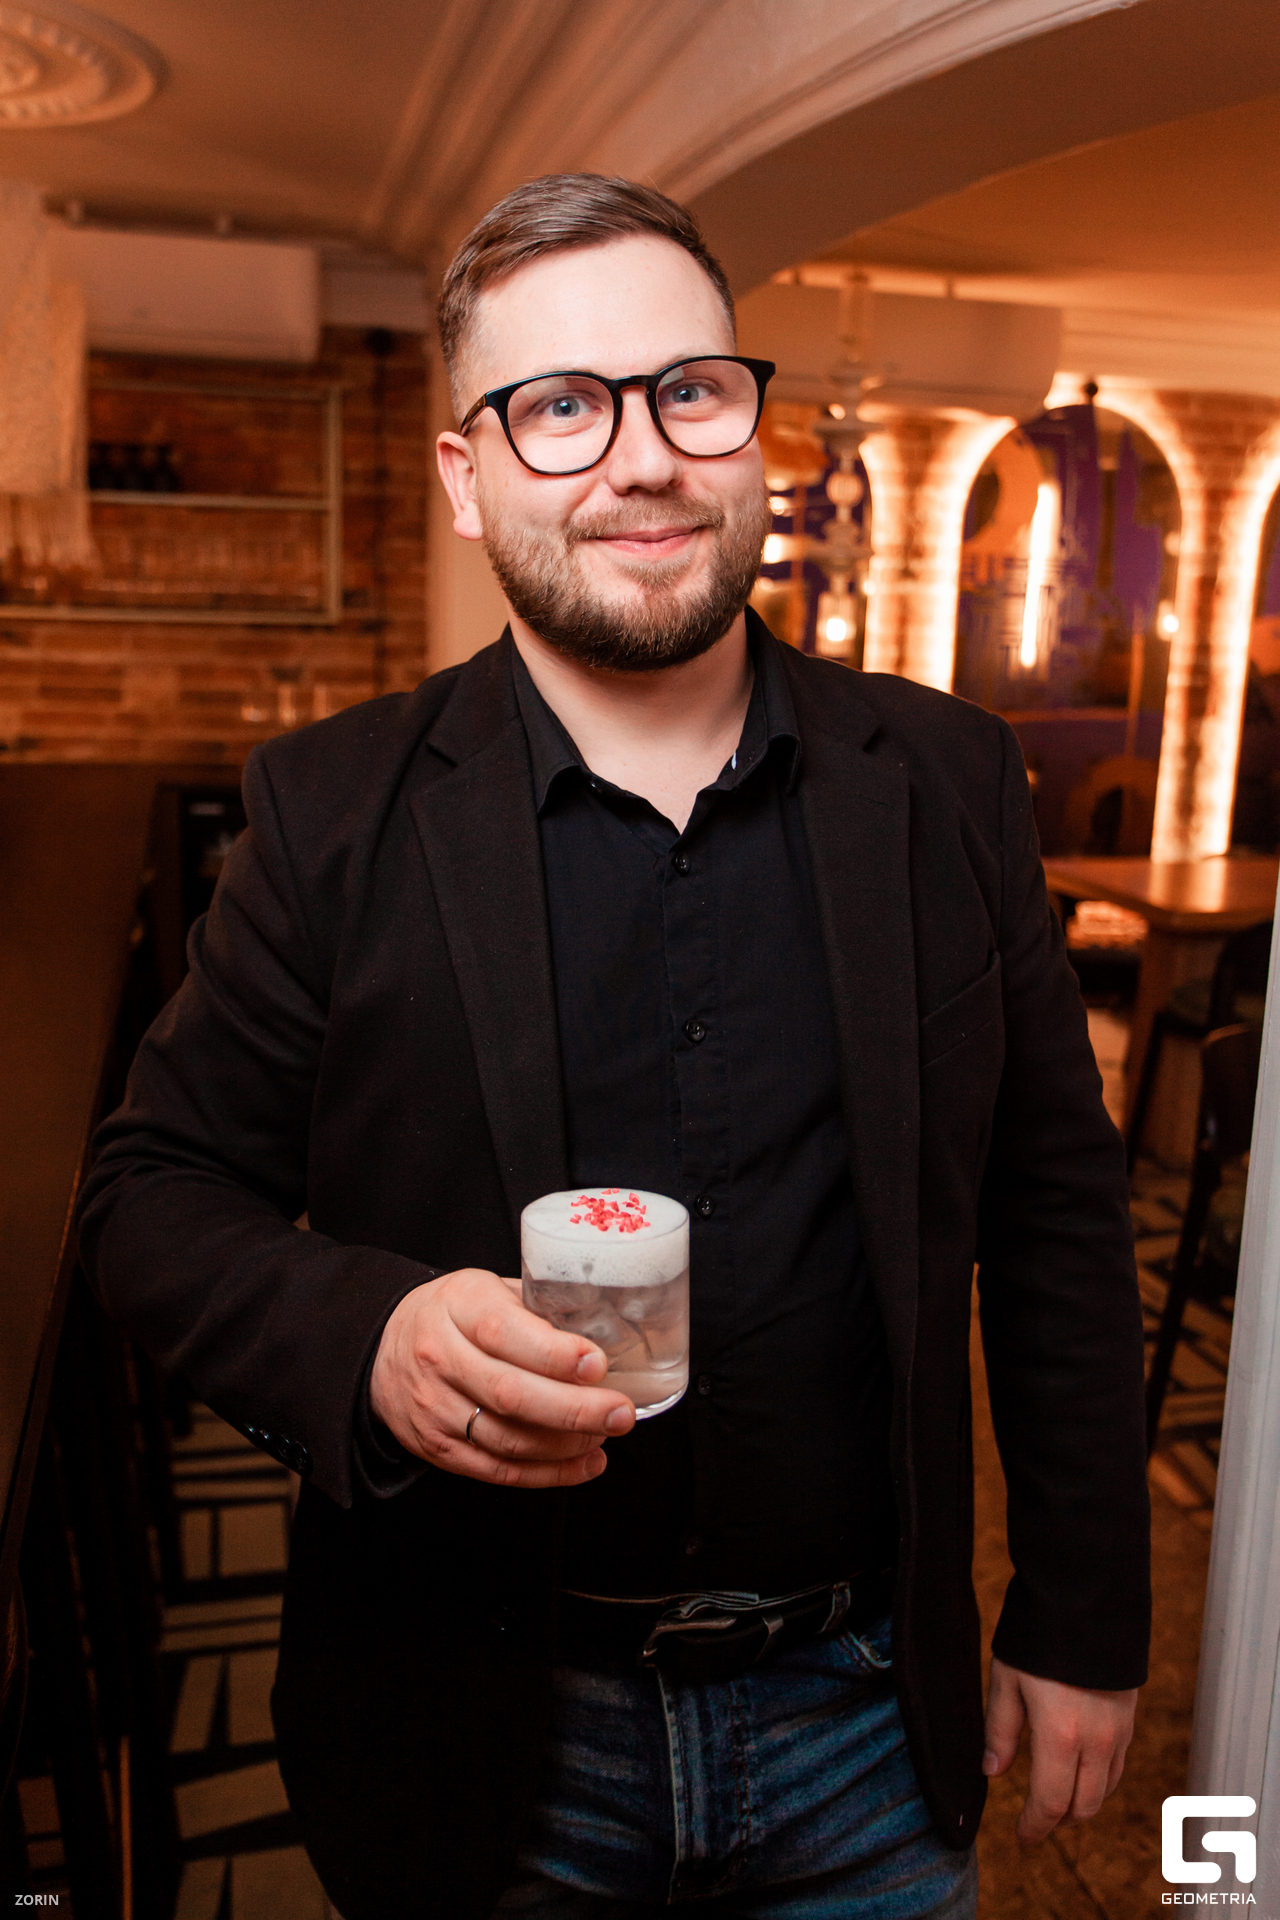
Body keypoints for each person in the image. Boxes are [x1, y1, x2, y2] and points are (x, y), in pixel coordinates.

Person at [76, 174, 1150, 1920]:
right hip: (485, 1737)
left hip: (864, 1721)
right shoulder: (332, 813)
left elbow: (1055, 1213)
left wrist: (1084, 1610)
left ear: (753, 431)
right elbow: (151, 1197)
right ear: (467, 474)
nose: (641, 459)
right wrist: (371, 1338)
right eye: (562, 406)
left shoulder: (948, 782)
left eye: (689, 391)